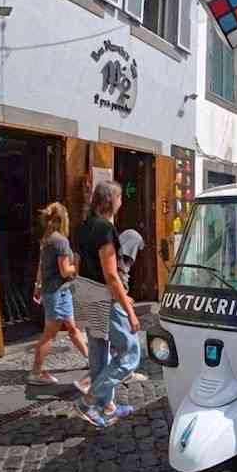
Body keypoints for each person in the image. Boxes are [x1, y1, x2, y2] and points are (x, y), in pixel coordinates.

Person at [74, 181, 141, 428]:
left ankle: (107, 406)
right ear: (111, 200)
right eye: (120, 197)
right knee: (130, 354)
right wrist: (130, 310)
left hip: (86, 294)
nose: (122, 202)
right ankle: (88, 401)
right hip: (104, 298)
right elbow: (111, 275)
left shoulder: (83, 227)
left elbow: (78, 265)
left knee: (98, 356)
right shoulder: (104, 229)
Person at [29, 203, 88, 385]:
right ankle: (36, 373)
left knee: (72, 328)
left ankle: (90, 359)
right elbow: (65, 271)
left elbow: (41, 265)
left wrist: (38, 285)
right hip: (58, 292)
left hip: (55, 291)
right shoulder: (61, 241)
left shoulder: (47, 238)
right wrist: (77, 265)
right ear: (63, 220)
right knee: (50, 335)